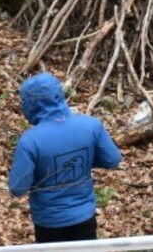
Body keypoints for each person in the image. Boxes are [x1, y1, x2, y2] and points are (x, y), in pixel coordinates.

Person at [8, 73, 121, 243]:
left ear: (30, 103)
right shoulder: (91, 125)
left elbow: (17, 187)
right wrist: (86, 160)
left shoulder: (30, 140)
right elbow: (112, 159)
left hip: (49, 222)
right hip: (84, 216)